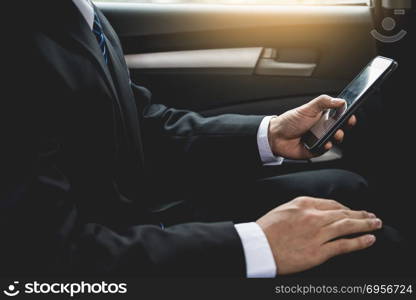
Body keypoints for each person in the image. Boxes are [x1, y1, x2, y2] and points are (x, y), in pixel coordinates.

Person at [0, 0, 406, 277]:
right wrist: (256, 245)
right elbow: (43, 259)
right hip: (101, 253)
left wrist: (269, 133)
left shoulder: (75, 12)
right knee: (371, 245)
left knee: (348, 189)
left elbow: (140, 125)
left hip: (128, 215)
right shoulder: (17, 37)